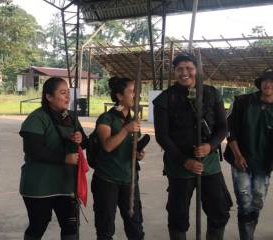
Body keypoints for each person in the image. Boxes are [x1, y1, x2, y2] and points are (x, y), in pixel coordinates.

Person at [153, 53, 232, 240]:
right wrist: (184, 160)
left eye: (189, 68)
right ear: (174, 72)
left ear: (197, 70)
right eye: (180, 69)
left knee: (219, 211)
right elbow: (162, 136)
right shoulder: (165, 99)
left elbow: (223, 127)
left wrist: (210, 146)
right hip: (179, 166)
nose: (184, 73)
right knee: (178, 215)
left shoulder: (212, 93)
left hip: (209, 163)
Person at [19, 77, 87, 240]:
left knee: (71, 226)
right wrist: (65, 158)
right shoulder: (37, 118)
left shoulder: (71, 116)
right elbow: (33, 150)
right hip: (40, 185)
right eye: (62, 93)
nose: (67, 97)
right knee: (39, 224)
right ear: (49, 97)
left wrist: (79, 138)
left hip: (66, 185)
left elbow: (85, 142)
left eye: (68, 93)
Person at [91, 76, 145, 240]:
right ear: (120, 96)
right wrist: (126, 130)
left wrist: (138, 154)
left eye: (138, 92)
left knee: (135, 226)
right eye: (132, 92)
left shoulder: (133, 118)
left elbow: (129, 147)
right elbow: (107, 145)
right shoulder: (106, 119)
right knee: (105, 228)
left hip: (129, 179)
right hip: (107, 180)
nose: (137, 95)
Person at [225, 69, 273, 240]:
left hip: (263, 163)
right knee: (245, 202)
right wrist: (237, 155)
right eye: (265, 80)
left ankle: (249, 230)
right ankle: (247, 237)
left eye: (272, 81)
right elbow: (229, 130)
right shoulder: (242, 102)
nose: (268, 84)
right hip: (241, 160)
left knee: (257, 201)